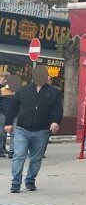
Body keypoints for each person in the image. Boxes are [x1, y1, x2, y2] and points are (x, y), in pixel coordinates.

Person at [6, 65, 63, 193]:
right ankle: (15, 183)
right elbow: (13, 107)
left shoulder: (54, 92)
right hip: (22, 129)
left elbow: (58, 109)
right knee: (19, 155)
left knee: (36, 158)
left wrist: (55, 121)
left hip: (42, 130)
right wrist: (8, 123)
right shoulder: (23, 90)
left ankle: (30, 180)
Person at [0, 73, 15, 158]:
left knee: (10, 132)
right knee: (1, 132)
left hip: (12, 114)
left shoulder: (15, 90)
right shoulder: (2, 90)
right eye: (4, 79)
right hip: (3, 113)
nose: (6, 81)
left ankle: (6, 149)